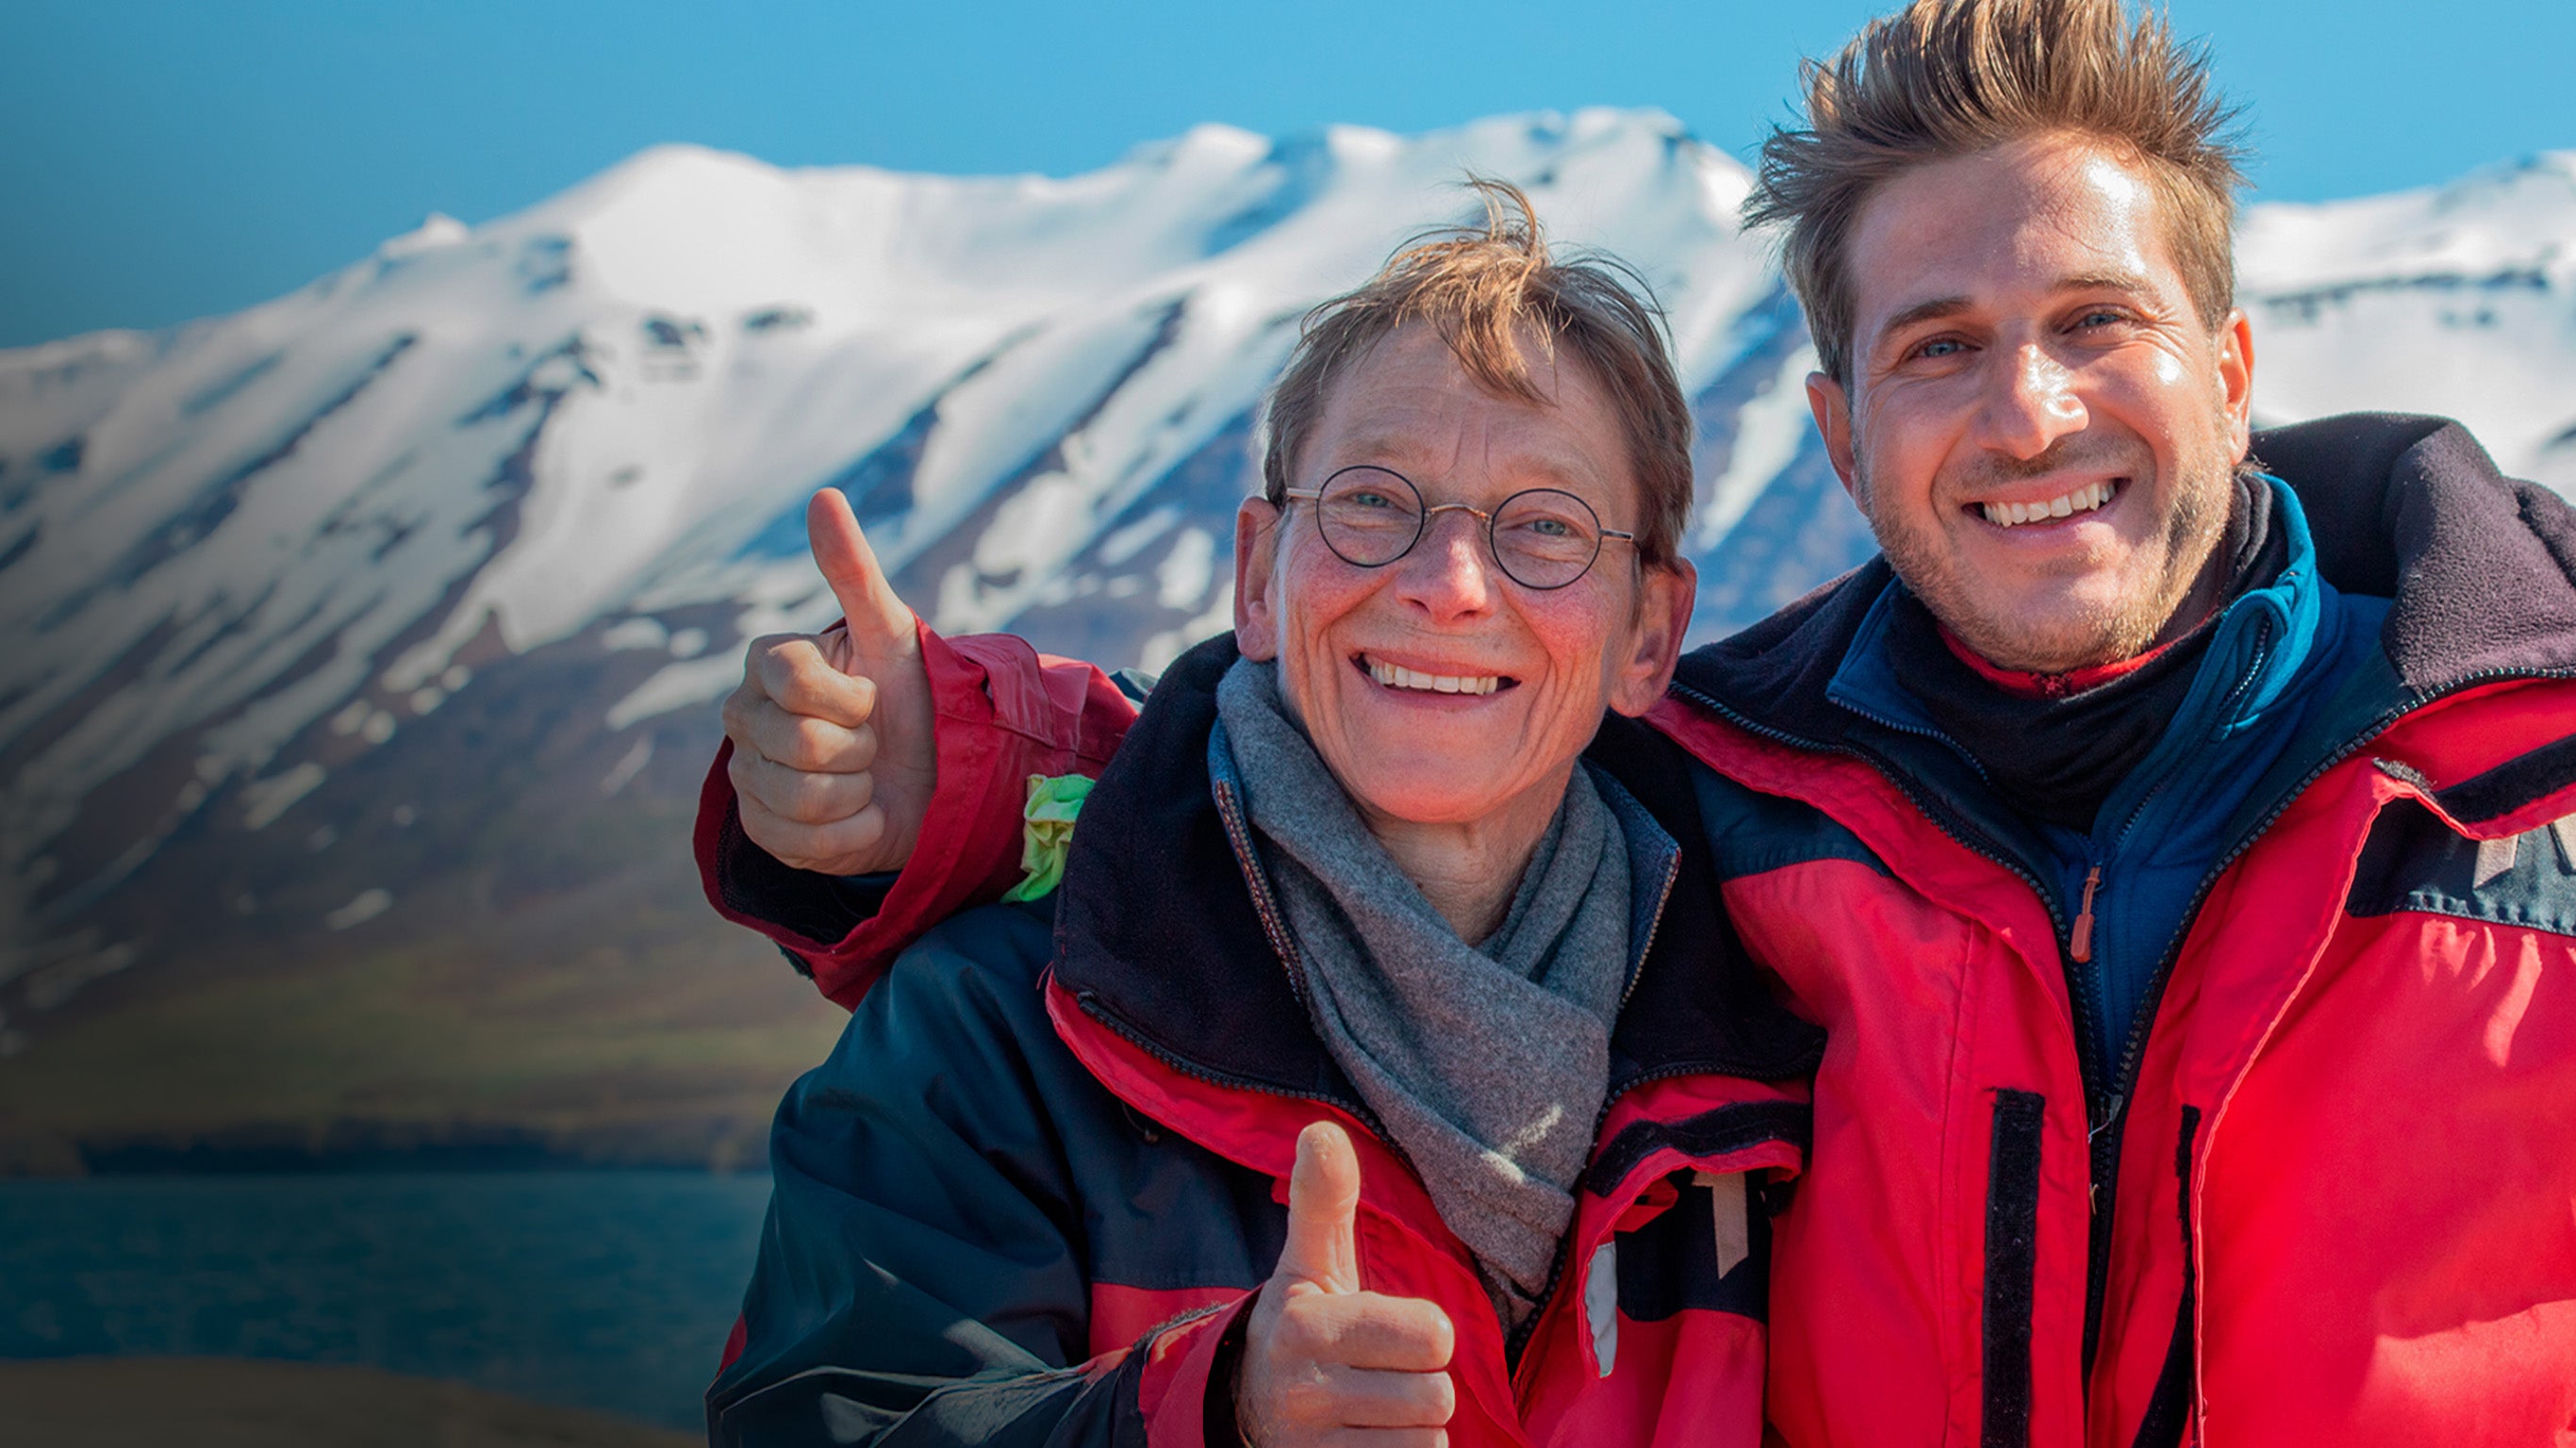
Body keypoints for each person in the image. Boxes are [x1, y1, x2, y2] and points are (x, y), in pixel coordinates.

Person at [706, 1, 2576, 1441]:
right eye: (1934, 346)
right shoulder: (1740, 803)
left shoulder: (2536, 790)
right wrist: (965, 772)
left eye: (2097, 321)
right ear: (1839, 439)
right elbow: (1333, 794)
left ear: (2230, 374)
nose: (2025, 410)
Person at [704, 187, 1827, 1446]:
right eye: (1370, 502)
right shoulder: (993, 1029)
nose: (1446, 584)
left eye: (1547, 529)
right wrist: (1210, 1414)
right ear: (1255, 577)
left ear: (1649, 635)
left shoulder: (1784, 1073)